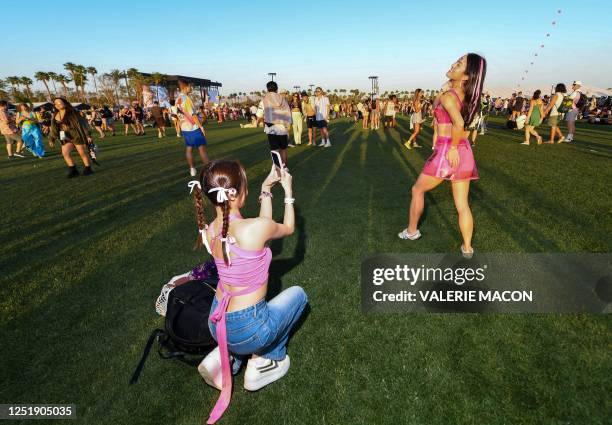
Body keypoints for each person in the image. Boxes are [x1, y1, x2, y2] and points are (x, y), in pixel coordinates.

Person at [190, 160, 307, 424]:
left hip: (216, 322)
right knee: (298, 295)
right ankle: (262, 362)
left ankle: (225, 359)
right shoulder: (252, 229)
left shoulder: (209, 231)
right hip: (250, 327)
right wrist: (288, 191)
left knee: (238, 328)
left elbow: (262, 227)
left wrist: (266, 187)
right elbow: (286, 227)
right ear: (236, 193)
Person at [399, 53, 486, 258]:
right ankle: (467, 248)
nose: (453, 64)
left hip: (449, 150)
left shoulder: (449, 96)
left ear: (466, 76)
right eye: (456, 61)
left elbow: (459, 123)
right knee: (462, 204)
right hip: (464, 151)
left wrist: (453, 147)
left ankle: (412, 231)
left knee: (417, 190)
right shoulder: (467, 96)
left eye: (459, 64)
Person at [48, 97, 94, 177]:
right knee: (65, 153)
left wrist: (88, 135)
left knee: (82, 153)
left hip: (76, 135)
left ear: (65, 103)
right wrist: (52, 139)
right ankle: (73, 169)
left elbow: (83, 124)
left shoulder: (73, 112)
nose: (58, 104)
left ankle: (88, 168)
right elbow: (53, 129)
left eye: (59, 102)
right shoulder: (55, 115)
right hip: (64, 137)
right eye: (56, 103)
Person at [176, 78, 209, 177]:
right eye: (190, 86)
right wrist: (201, 127)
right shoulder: (186, 99)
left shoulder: (178, 99)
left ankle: (192, 169)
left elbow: (176, 114)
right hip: (193, 128)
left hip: (184, 128)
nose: (191, 88)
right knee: (201, 149)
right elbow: (193, 115)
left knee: (189, 148)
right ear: (186, 87)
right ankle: (209, 171)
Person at [256, 81, 292, 165]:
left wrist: (262, 121)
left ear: (267, 89)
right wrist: (288, 125)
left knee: (274, 150)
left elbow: (259, 115)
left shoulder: (264, 100)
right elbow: (288, 112)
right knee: (283, 149)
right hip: (282, 127)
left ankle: (278, 170)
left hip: (271, 128)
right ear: (277, 89)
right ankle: (285, 169)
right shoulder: (282, 99)